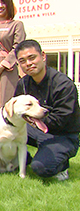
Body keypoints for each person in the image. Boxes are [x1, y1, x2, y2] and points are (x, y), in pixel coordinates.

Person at [14, 39, 80, 181]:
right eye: (23, 61)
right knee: (7, 130)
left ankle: (61, 165)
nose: (28, 64)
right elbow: (17, 111)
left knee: (41, 167)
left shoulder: (63, 85)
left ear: (43, 56)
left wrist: (35, 116)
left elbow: (61, 120)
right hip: (37, 129)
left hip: (63, 135)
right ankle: (24, 159)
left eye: (32, 58)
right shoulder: (23, 84)